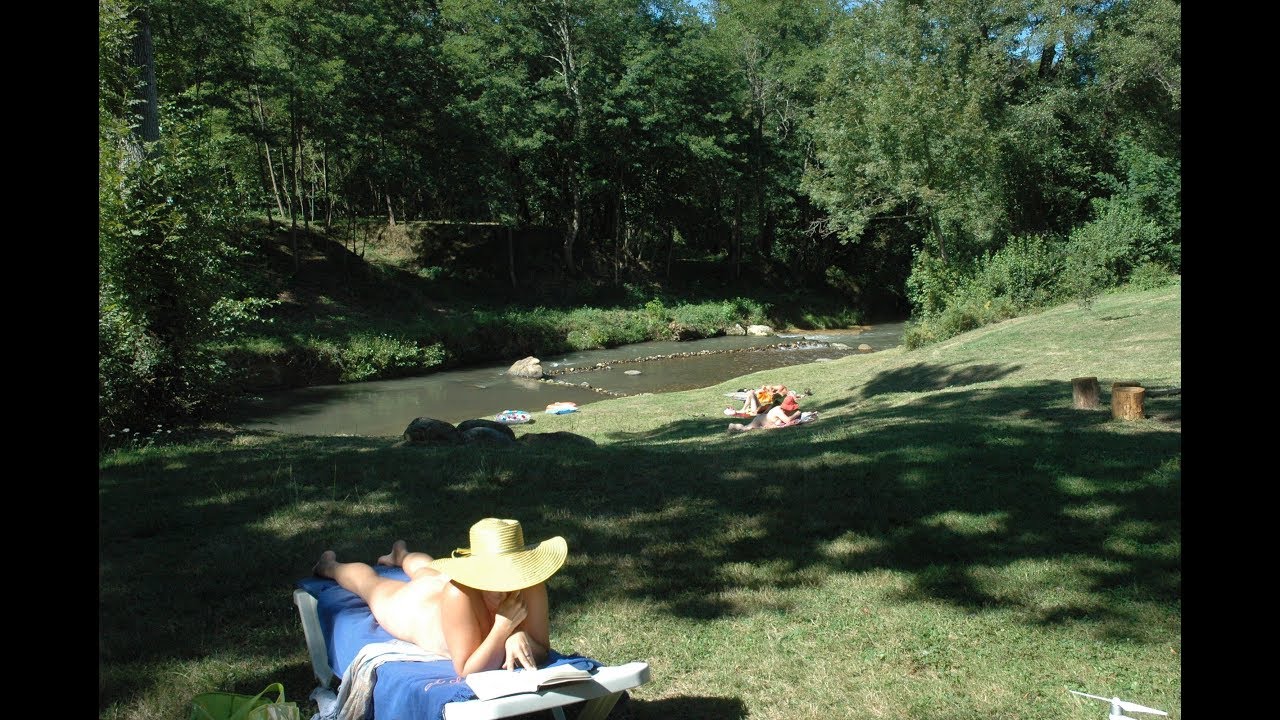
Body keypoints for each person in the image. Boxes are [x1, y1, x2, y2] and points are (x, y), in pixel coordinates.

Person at [312, 517, 568, 676]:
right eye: (495, 575)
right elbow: (468, 669)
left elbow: (542, 649)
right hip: (422, 612)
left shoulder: (532, 584)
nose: (503, 586)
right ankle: (330, 566)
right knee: (373, 586)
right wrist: (503, 630)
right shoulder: (459, 595)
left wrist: (519, 636)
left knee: (429, 571)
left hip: (442, 587)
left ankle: (401, 555)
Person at [726, 391, 801, 433]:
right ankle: (733, 425)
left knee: (747, 428)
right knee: (746, 428)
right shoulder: (779, 410)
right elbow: (787, 420)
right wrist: (797, 413)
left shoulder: (780, 408)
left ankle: (734, 426)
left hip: (763, 417)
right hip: (760, 420)